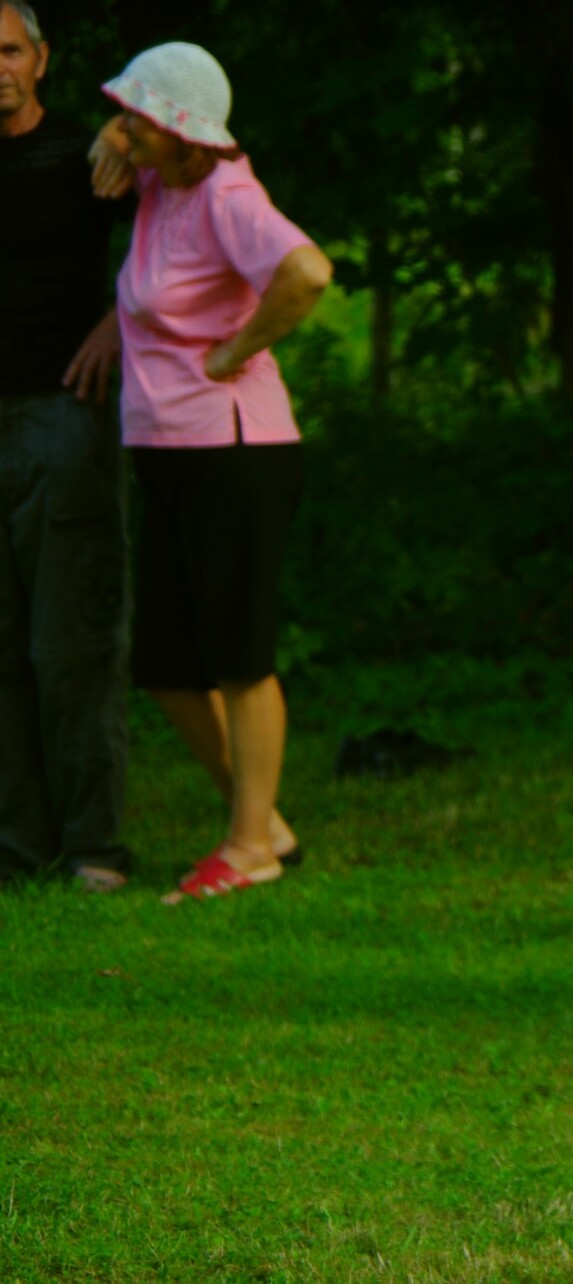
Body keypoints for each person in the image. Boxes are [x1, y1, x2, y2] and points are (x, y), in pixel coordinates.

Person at [95, 43, 330, 900]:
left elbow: (307, 271)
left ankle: (249, 845)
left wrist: (237, 349)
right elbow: (112, 147)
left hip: (236, 450)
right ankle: (259, 820)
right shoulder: (164, 181)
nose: (123, 127)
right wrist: (112, 138)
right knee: (165, 662)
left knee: (239, 652)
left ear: (180, 129)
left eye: (137, 117)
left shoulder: (229, 194)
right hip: (166, 448)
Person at [0, 1, 134, 892]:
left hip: (63, 415)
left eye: (8, 51)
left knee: (72, 640)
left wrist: (122, 321)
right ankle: (17, 849)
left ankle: (94, 848)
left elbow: (185, 227)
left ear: (40, 59)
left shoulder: (92, 156)